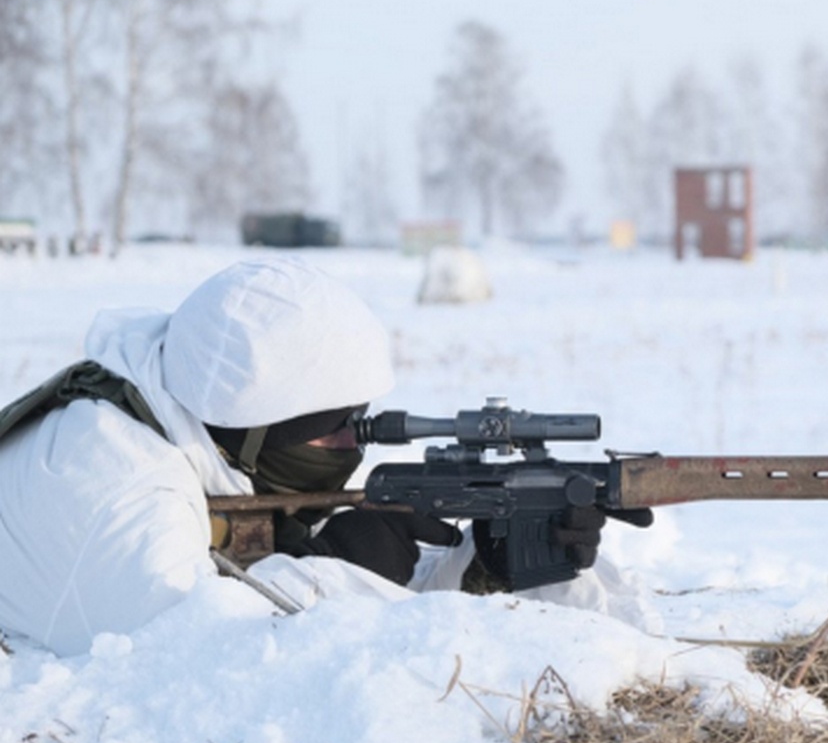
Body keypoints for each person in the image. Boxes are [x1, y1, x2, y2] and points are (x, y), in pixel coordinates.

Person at [0, 257, 635, 656]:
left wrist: (484, 564)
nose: (347, 448)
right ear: (247, 427)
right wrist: (325, 568)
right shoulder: (121, 490)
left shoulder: (182, 418)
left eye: (357, 424)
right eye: (330, 430)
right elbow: (209, 668)